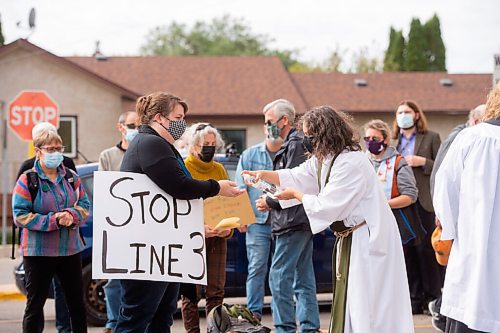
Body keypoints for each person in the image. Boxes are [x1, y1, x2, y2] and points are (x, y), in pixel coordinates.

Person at [243, 106, 414, 333]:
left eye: (310, 136)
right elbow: (297, 175)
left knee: (368, 302)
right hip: (350, 236)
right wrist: (264, 174)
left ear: (325, 134)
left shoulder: (351, 162)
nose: (307, 141)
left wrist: (295, 195)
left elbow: (327, 204)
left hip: (367, 239)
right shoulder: (326, 158)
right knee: (352, 299)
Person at [114, 92, 243, 333]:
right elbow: (180, 186)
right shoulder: (150, 143)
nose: (182, 123)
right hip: (147, 253)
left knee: (160, 318)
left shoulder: (159, 145)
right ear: (160, 118)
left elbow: (169, 201)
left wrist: (194, 228)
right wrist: (217, 187)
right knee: (137, 318)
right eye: (178, 117)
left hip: (160, 250)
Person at [433, 84, 500, 333]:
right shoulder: (473, 137)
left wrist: (453, 230)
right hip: (473, 244)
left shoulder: (471, 137)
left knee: (473, 304)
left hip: (473, 244)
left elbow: (446, 188)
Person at [12, 130, 90, 333]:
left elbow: (84, 205)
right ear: (38, 152)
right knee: (35, 306)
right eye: (50, 149)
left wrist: (72, 215)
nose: (56, 153)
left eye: (59, 149)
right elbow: (20, 215)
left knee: (76, 303)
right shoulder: (27, 180)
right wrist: (53, 220)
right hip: (39, 252)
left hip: (69, 250)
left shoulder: (71, 177)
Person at [253, 99, 320, 333]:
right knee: (302, 278)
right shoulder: (294, 143)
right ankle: (309, 327)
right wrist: (265, 187)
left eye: (269, 121)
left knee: (278, 277)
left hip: (293, 220)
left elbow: (294, 182)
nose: (266, 126)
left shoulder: (296, 144)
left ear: (284, 120)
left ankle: (285, 328)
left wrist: (269, 201)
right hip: (298, 219)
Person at [427, 104, 486, 332]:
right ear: (475, 120)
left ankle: (442, 309)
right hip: (461, 220)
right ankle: (442, 312)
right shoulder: (461, 138)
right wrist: (441, 216)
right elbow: (442, 175)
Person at [180, 122, 233, 333]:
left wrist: (228, 228)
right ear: (194, 146)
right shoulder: (184, 168)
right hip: (192, 238)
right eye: (205, 144)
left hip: (217, 238)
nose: (209, 147)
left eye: (213, 144)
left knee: (216, 292)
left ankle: (216, 330)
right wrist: (199, 227)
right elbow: (180, 207)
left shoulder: (219, 169)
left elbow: (229, 205)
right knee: (190, 294)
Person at [392, 100, 443, 314]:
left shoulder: (431, 137)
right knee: (407, 250)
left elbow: (442, 166)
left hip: (424, 200)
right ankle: (414, 298)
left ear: (416, 115)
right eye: (400, 112)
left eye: (407, 112)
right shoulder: (393, 142)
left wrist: (422, 161)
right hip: (402, 201)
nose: (403, 115)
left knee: (426, 250)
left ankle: (433, 297)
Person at [98, 111, 139, 333]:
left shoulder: (144, 152)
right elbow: (105, 189)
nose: (135, 129)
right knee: (114, 280)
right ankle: (113, 322)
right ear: (121, 127)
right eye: (132, 125)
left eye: (138, 125)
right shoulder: (108, 156)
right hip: (117, 226)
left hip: (141, 225)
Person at [235, 134, 280, 321]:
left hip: (282, 221)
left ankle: (281, 315)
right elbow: (239, 187)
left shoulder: (289, 152)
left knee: (281, 272)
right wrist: (242, 217)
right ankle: (254, 314)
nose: (271, 127)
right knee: (257, 268)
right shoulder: (250, 154)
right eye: (267, 122)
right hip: (257, 223)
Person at [363, 119, 421, 245]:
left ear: (385, 140)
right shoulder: (362, 162)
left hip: (392, 222)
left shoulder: (399, 162)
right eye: (367, 138)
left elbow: (410, 195)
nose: (370, 142)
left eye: (375, 138)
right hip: (365, 223)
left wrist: (383, 204)